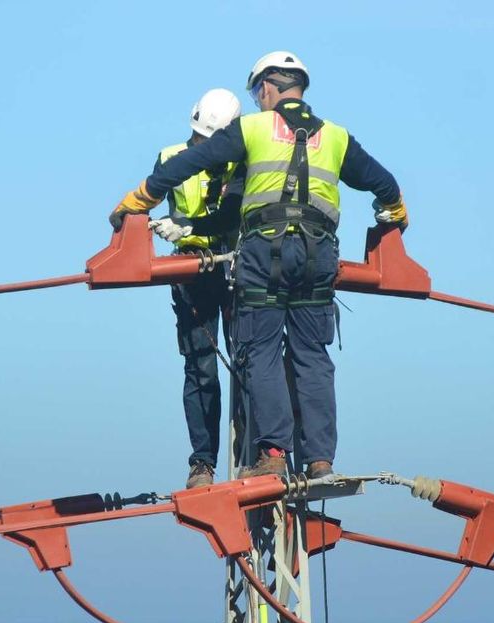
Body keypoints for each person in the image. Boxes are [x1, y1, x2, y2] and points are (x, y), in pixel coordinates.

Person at [110, 51, 408, 480]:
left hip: (266, 253)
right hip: (319, 254)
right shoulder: (337, 137)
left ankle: (272, 455)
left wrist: (138, 200)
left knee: (261, 350)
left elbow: (189, 163)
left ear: (267, 87)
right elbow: (386, 185)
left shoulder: (252, 128)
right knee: (312, 355)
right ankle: (320, 461)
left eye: (257, 92)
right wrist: (394, 215)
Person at [139, 89, 244, 489]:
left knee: (250, 364)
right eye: (199, 137)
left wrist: (189, 226)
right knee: (200, 367)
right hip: (191, 271)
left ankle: (257, 452)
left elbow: (233, 215)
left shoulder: (241, 160)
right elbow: (144, 203)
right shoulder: (170, 157)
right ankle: (203, 463)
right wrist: (143, 225)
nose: (203, 145)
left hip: (235, 266)